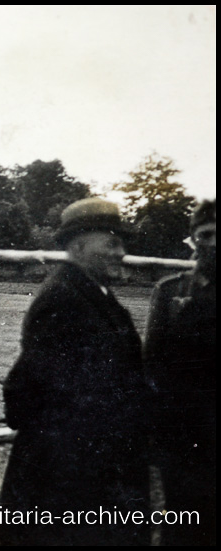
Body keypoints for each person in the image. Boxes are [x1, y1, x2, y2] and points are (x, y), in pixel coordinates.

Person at [0, 197, 151, 546]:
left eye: (121, 243)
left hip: (95, 467)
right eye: (111, 242)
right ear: (78, 245)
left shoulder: (96, 295)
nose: (121, 251)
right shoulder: (62, 299)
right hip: (69, 475)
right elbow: (27, 389)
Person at [145, 199, 215, 546]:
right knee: (183, 522)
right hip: (183, 434)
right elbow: (153, 362)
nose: (214, 243)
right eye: (207, 234)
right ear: (193, 239)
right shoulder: (171, 291)